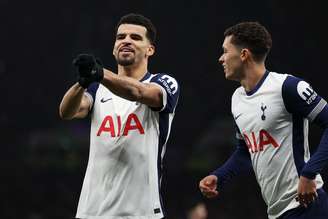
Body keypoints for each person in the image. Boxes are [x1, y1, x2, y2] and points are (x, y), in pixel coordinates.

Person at [199, 21, 328, 219]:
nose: (221, 58)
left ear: (244, 55)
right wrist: (219, 176)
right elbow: (245, 152)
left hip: (306, 205)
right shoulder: (237, 99)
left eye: (225, 51)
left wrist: (309, 173)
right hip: (276, 212)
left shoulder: (288, 86)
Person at [59, 13, 180, 219]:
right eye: (120, 37)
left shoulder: (165, 83)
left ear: (150, 50)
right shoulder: (97, 90)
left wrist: (100, 72)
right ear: (114, 47)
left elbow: (138, 92)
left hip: (141, 213)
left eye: (135, 37)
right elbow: (67, 112)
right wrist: (82, 81)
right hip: (91, 211)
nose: (126, 41)